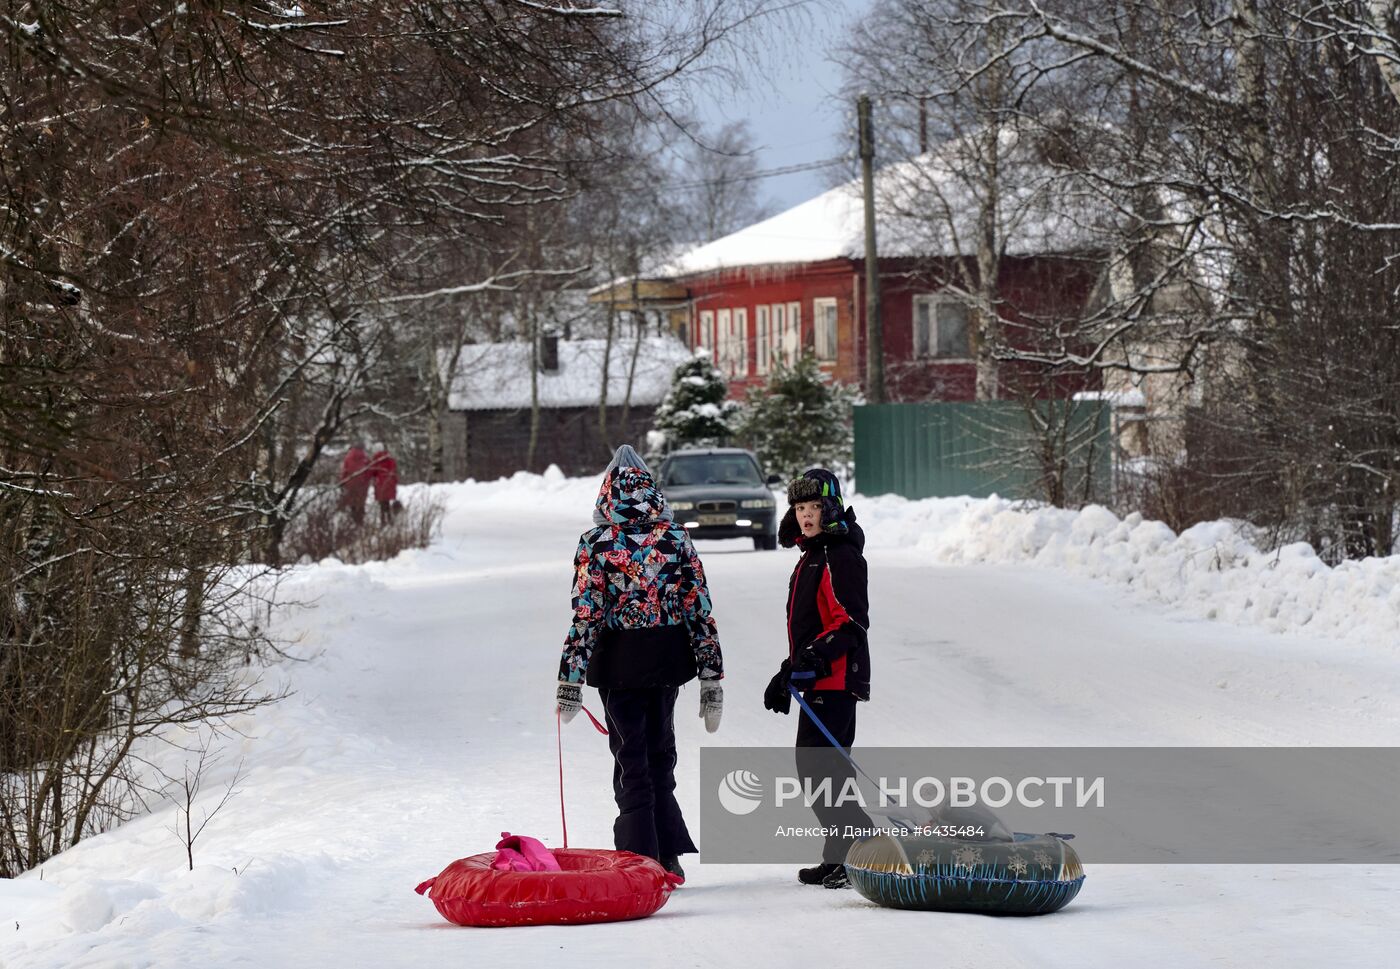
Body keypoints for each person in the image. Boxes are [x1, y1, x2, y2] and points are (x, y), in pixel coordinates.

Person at [556, 444, 723, 883]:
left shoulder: (596, 543)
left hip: (619, 663)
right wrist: (711, 678)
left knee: (631, 757)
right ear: (652, 490)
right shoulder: (675, 538)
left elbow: (587, 614)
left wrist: (569, 680)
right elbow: (698, 609)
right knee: (660, 753)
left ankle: (639, 857)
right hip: (667, 660)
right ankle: (668, 853)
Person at [763, 468, 872, 889]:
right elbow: (813, 625)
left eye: (813, 507)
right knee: (825, 774)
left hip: (839, 680)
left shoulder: (839, 554)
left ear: (829, 509)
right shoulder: (812, 554)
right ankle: (838, 856)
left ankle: (859, 853)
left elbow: (851, 624)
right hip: (821, 680)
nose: (805, 515)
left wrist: (809, 659)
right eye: (799, 507)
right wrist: (791, 669)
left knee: (820, 771)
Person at [339, 443, 371, 524]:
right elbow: (369, 471)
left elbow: (344, 471)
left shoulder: (348, 458)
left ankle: (353, 520)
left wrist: (342, 481)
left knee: (352, 502)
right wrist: (366, 481)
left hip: (351, 483)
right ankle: (360, 520)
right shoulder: (366, 458)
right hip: (362, 484)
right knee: (361, 502)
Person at [368, 444, 398, 524]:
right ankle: (389, 519)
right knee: (386, 502)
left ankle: (383, 521)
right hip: (389, 483)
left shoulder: (376, 459)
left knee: (382, 503)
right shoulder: (390, 458)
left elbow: (372, 471)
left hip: (380, 484)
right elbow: (394, 470)